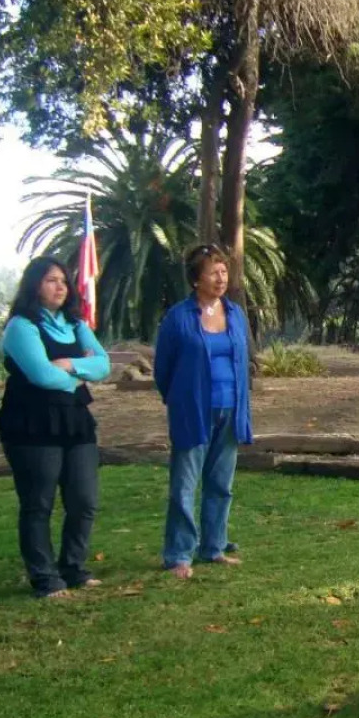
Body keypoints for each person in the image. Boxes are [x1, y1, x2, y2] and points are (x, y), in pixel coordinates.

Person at [0, 257, 111, 597]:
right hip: (32, 423)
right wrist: (78, 376)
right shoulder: (22, 326)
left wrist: (70, 364)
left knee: (84, 500)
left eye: (63, 280)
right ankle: (45, 577)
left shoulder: (75, 324)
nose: (60, 286)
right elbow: (41, 375)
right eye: (50, 280)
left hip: (75, 421)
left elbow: (103, 365)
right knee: (38, 503)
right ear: (34, 285)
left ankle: (73, 567)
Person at [154, 244, 253, 579]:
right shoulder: (178, 318)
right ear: (196, 279)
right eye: (213, 271)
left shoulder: (236, 313)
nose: (220, 277)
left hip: (231, 409)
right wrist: (180, 399)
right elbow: (162, 369)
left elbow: (242, 360)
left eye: (224, 270)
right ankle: (179, 554)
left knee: (221, 483)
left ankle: (214, 547)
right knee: (185, 484)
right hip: (192, 412)